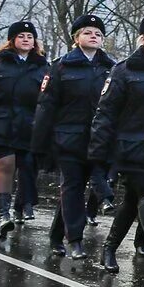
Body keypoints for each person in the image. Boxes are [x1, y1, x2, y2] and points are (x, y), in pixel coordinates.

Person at [88, 16, 144, 272]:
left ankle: (109, 249)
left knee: (131, 202)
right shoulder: (124, 70)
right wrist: (99, 151)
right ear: (143, 38)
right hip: (130, 146)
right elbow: (106, 112)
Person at [31, 14, 115, 259]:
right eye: (88, 32)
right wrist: (39, 144)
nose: (94, 37)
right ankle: (75, 240)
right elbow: (46, 106)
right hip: (68, 139)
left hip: (98, 140)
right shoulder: (60, 66)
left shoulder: (111, 68)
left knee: (78, 189)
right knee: (72, 186)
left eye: (98, 34)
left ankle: (57, 236)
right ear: (77, 38)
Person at [0, 21, 49, 238]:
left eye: (30, 36)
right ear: (12, 40)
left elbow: (48, 99)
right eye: (21, 35)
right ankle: (4, 213)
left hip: (28, 126)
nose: (26, 39)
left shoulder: (44, 67)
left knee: (24, 168)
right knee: (6, 164)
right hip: (0, 123)